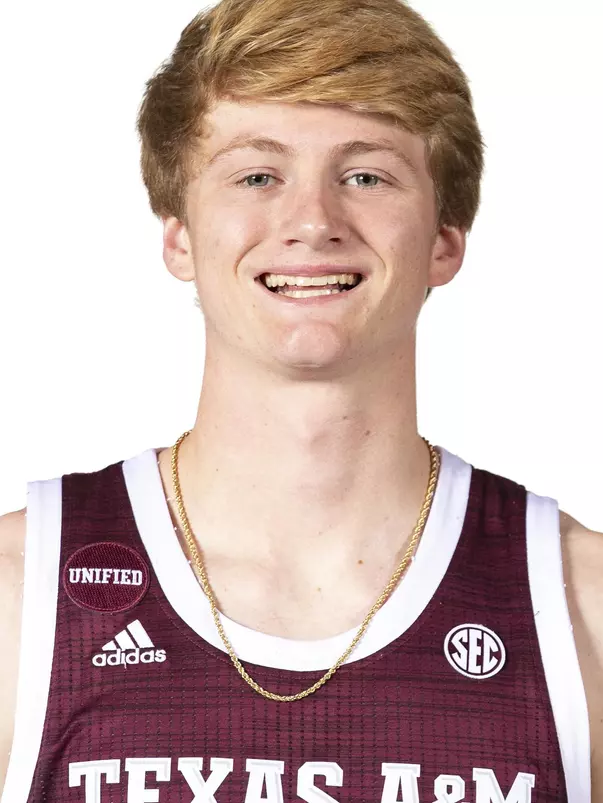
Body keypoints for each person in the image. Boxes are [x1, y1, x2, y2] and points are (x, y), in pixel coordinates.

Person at [1, 0, 601, 799]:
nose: (313, 222)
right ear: (180, 235)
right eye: (257, 175)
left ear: (443, 240)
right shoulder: (19, 598)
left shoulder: (578, 604)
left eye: (365, 176)